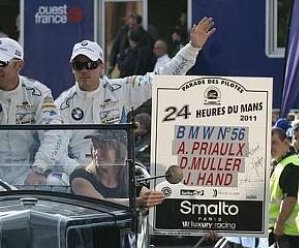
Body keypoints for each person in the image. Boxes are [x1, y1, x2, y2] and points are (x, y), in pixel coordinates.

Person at [56, 18, 216, 171]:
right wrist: (78, 171)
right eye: (78, 65)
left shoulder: (121, 89)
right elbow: (54, 149)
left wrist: (192, 48)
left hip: (117, 175)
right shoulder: (62, 104)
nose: (84, 70)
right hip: (76, 178)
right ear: (72, 68)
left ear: (102, 67)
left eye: (90, 64)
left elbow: (163, 78)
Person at [0, 37, 67, 185]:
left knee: (56, 183)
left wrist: (39, 169)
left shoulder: (38, 93)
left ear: (19, 65)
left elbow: (54, 133)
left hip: (28, 169)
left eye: (1, 63)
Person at [69, 131, 164, 208]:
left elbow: (144, 193)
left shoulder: (130, 176)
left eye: (104, 147)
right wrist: (137, 202)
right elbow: (99, 204)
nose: (97, 152)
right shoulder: (80, 176)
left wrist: (152, 197)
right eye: (95, 147)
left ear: (120, 151)